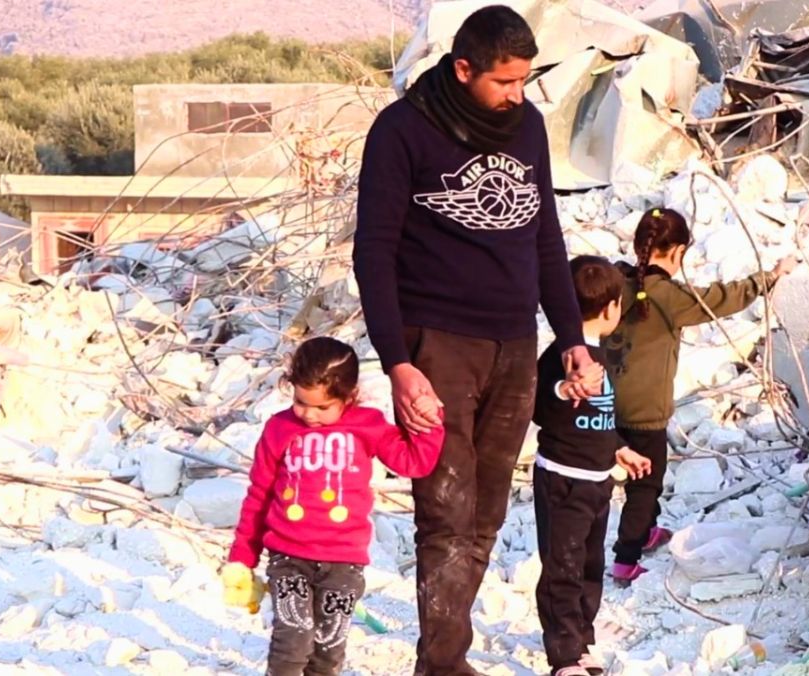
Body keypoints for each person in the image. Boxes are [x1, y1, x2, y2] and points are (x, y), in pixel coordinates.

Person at [352, 6, 599, 674]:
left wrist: (571, 336)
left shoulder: (529, 127)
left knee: (486, 510)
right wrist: (398, 363)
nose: (517, 94)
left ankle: (442, 659)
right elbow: (373, 253)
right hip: (437, 347)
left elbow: (545, 237)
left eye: (524, 80)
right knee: (445, 507)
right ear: (464, 69)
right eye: (504, 81)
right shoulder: (403, 130)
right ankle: (442, 663)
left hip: (514, 347)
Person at [221, 337, 445, 676]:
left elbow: (414, 463)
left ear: (350, 397)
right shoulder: (280, 429)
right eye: (300, 402)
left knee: (328, 648)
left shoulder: (367, 425)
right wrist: (242, 558)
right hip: (288, 557)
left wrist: (431, 420)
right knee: (292, 639)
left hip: (343, 563)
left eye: (322, 407)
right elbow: (259, 495)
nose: (309, 414)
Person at [604, 208, 796, 583]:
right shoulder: (668, 296)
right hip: (644, 412)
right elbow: (720, 299)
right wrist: (770, 277)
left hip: (606, 401)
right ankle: (626, 558)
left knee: (637, 477)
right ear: (677, 252)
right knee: (646, 483)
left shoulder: (617, 283)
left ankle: (646, 531)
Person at [533, 256, 652, 676]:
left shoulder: (601, 354)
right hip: (562, 479)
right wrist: (564, 390)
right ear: (611, 308)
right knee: (562, 568)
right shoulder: (560, 355)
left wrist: (619, 449)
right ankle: (564, 656)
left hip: (597, 482)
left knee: (588, 566)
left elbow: (597, 417)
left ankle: (582, 641)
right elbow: (539, 405)